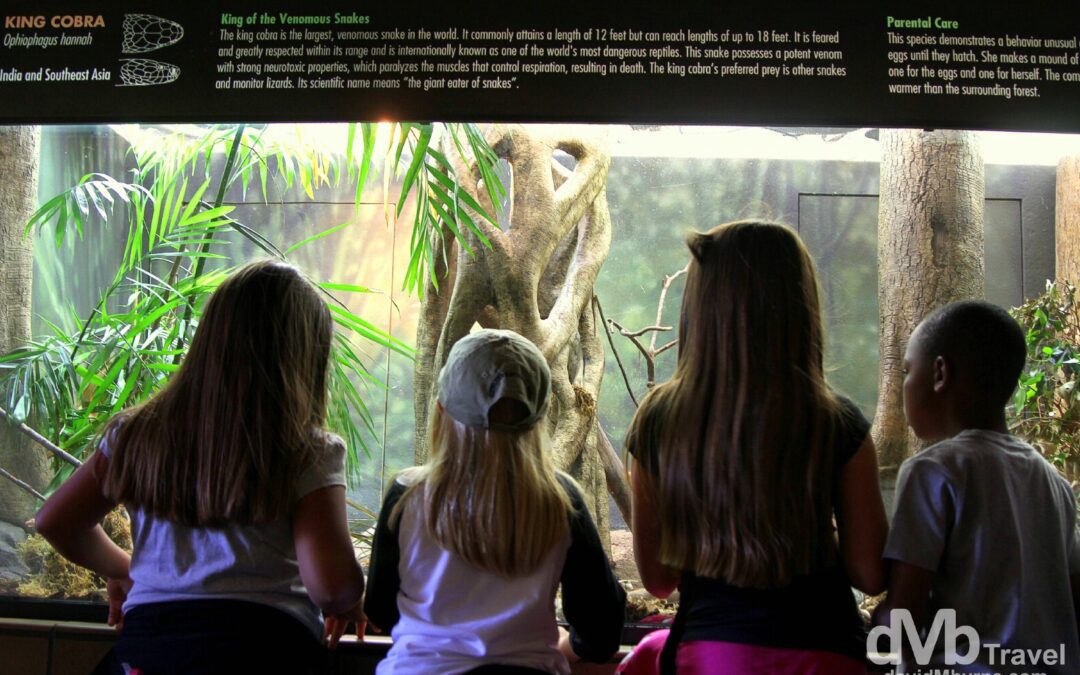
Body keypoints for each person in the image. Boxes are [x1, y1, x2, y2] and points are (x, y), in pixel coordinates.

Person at [34, 260, 366, 675]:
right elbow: (331, 587)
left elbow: (54, 520)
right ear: (306, 358)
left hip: (151, 654)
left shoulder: (134, 434)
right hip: (265, 652)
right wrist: (352, 595)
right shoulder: (308, 449)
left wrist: (122, 569)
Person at [617, 220, 889, 675]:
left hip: (709, 657)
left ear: (699, 307)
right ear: (800, 305)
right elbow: (871, 572)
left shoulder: (658, 422)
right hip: (826, 654)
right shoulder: (837, 423)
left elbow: (658, 581)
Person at [359, 328, 626, 675]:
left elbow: (381, 609)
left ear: (440, 411)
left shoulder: (407, 494)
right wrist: (567, 645)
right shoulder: (561, 500)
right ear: (541, 416)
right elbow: (602, 630)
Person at [875, 300, 1080, 674]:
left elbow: (905, 619)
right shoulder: (1055, 485)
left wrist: (873, 632)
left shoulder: (932, 472)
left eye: (907, 370)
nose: (903, 385)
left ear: (940, 373)